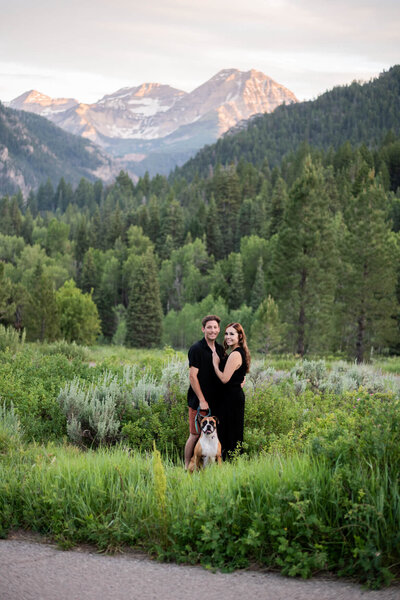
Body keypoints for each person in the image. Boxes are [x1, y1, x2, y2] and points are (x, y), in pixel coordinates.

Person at [184, 315, 225, 469]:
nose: (212, 330)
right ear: (203, 329)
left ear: (219, 329)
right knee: (195, 434)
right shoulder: (196, 349)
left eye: (215, 327)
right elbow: (192, 377)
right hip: (198, 400)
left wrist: (241, 379)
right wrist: (202, 400)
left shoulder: (220, 349)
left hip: (216, 400)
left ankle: (211, 469)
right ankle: (187, 467)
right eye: (209, 327)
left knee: (214, 434)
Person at [212, 322, 250, 458]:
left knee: (230, 432)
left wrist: (215, 364)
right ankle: (230, 461)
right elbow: (239, 376)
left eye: (232, 334)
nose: (228, 337)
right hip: (231, 397)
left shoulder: (235, 354)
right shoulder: (236, 352)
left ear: (240, 336)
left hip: (231, 399)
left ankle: (230, 461)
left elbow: (224, 378)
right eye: (226, 333)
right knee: (230, 430)